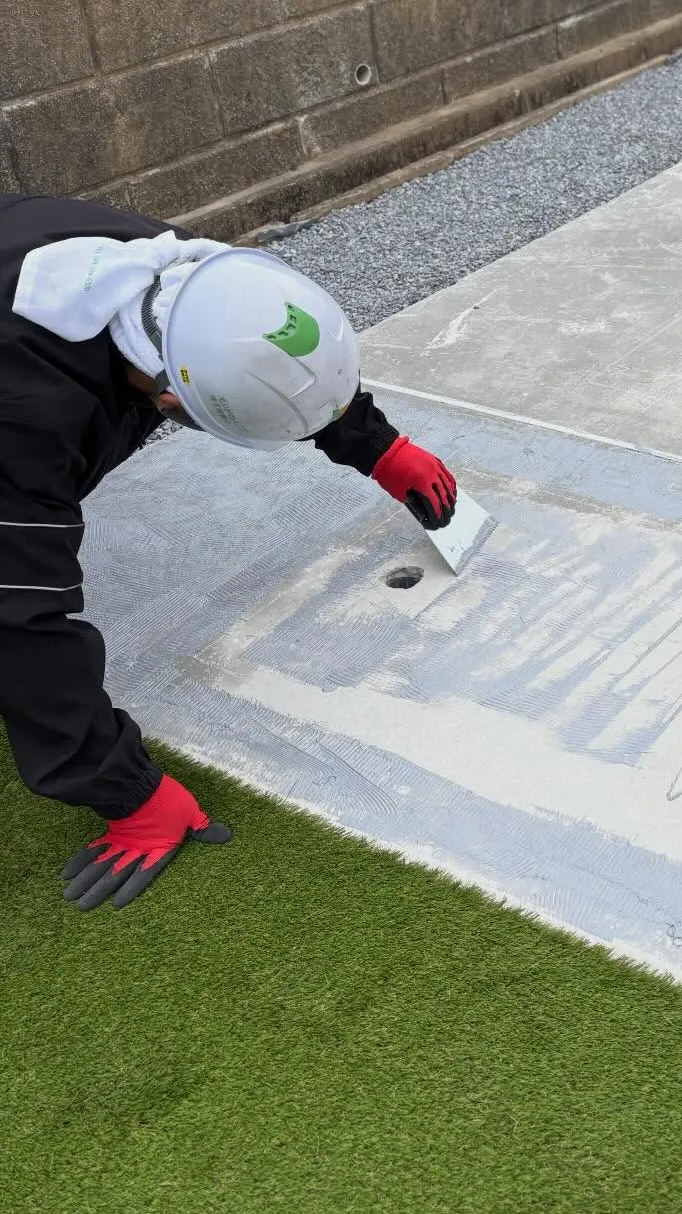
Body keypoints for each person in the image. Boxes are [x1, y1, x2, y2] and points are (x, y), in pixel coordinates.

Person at [1, 194, 460, 911]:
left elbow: (265, 358)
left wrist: (376, 446)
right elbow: (21, 623)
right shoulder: (27, 420)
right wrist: (123, 788)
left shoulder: (185, 277)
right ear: (170, 403)